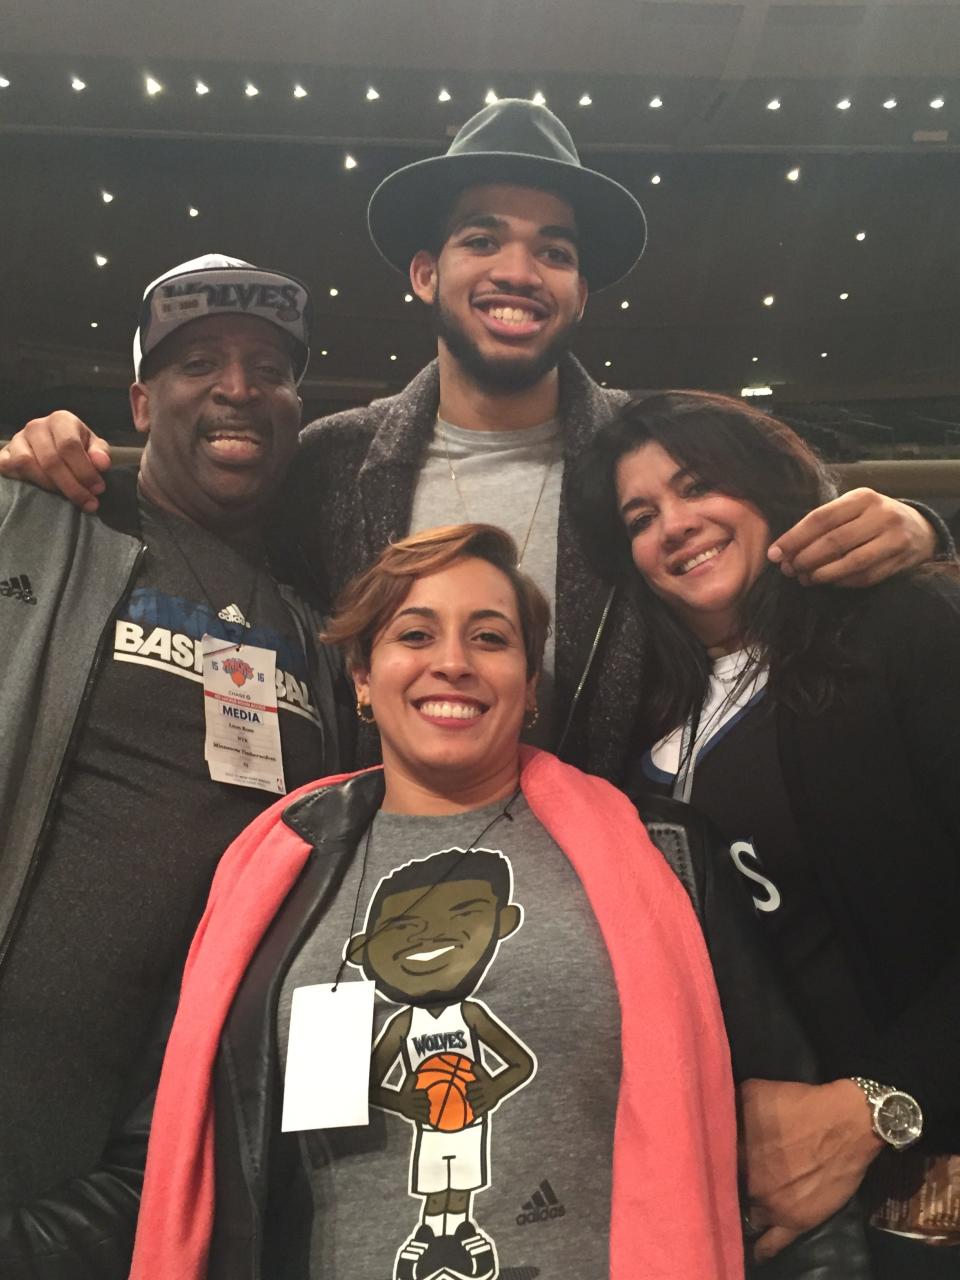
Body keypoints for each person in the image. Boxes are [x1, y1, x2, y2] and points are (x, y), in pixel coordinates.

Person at [0, 100, 950, 781]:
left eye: (555, 250)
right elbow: (200, 532)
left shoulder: (654, 456)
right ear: (426, 270)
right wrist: (61, 468)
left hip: (624, 877)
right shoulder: (331, 460)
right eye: (483, 239)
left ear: (581, 292)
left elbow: (812, 540)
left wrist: (915, 532)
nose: (518, 271)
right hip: (380, 876)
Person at [123, 523, 745, 1280]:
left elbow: (774, 1121)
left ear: (529, 681)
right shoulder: (272, 865)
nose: (452, 664)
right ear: (361, 675)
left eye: (490, 638)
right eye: (415, 634)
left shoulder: (656, 852)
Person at [0, 254, 343, 1278]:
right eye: (200, 362)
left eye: (268, 367)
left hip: (184, 1131)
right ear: (143, 399)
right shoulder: (48, 524)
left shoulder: (314, 626)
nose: (239, 387)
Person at [570, 390, 960, 1278]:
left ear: (768, 487)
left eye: (699, 485)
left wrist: (879, 1105)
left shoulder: (903, 629)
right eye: (641, 516)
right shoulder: (645, 717)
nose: (674, 525)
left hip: (918, 1182)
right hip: (751, 1203)